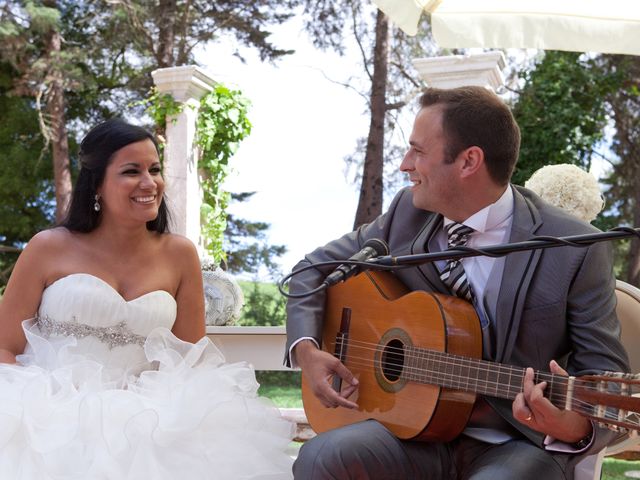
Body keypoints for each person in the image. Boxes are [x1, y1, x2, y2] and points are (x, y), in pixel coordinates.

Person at [284, 86, 630, 479]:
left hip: (517, 444)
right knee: (319, 458)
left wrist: (569, 425)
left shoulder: (574, 247)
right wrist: (307, 352)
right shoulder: (405, 215)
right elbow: (311, 270)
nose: (403, 164)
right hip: (415, 433)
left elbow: (606, 382)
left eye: (418, 151)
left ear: (469, 161)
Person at [0, 119, 294, 479]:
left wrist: (158, 412)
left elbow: (191, 359)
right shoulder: (48, 247)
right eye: (131, 171)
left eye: (154, 169)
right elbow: (4, 347)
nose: (149, 182)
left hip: (147, 424)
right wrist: (46, 406)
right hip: (48, 421)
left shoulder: (179, 254)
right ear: (97, 185)